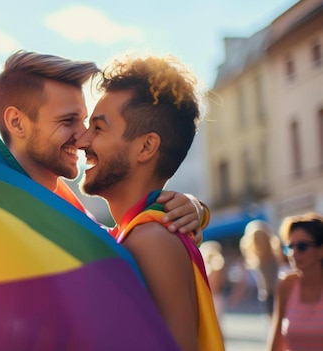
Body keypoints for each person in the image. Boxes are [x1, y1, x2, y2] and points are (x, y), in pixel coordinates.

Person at [76, 53, 224, 351]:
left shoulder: (150, 237)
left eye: (99, 128)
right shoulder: (138, 230)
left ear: (146, 147)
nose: (82, 141)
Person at [0, 50, 209, 233]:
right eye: (67, 121)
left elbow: (112, 245)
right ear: (17, 123)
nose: (83, 137)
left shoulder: (69, 216)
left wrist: (192, 208)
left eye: (85, 121)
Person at [269, 212, 323, 351]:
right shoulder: (286, 285)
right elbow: (276, 342)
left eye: (302, 246)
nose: (294, 253)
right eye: (290, 247)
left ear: (320, 250)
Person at [240, 219, 280, 317]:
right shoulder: (256, 258)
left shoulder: (274, 255)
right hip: (268, 294)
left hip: (276, 293)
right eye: (258, 239)